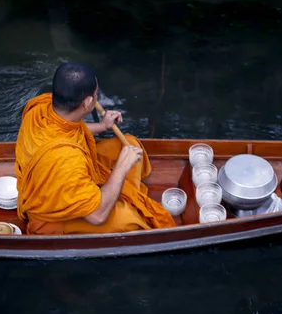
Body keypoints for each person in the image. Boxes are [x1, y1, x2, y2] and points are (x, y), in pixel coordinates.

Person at [14, 62, 176, 235]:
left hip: (69, 169)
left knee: (129, 143)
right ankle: (121, 197)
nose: (97, 97)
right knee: (130, 220)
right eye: (96, 93)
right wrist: (121, 167)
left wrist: (102, 125)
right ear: (88, 102)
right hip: (51, 214)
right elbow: (97, 217)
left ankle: (119, 193)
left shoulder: (40, 107)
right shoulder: (67, 160)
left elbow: (68, 128)